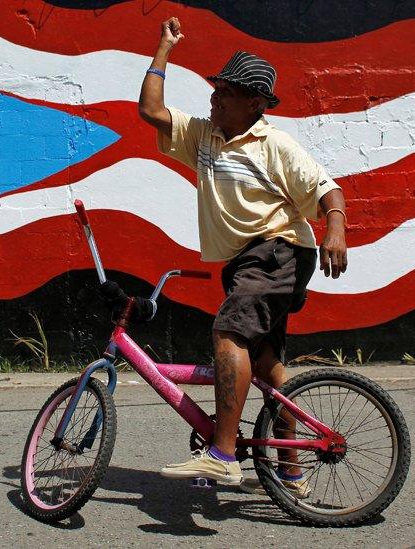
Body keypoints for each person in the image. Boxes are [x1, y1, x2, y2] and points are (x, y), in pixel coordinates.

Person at [137, 17, 348, 494]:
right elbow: (151, 110)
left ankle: (224, 456)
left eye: (226, 92)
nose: (214, 98)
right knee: (267, 361)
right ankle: (292, 468)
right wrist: (164, 48)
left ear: (255, 103)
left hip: (278, 251)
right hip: (248, 263)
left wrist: (336, 230)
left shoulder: (276, 146)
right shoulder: (203, 135)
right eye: (215, 90)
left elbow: (329, 192)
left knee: (228, 333)